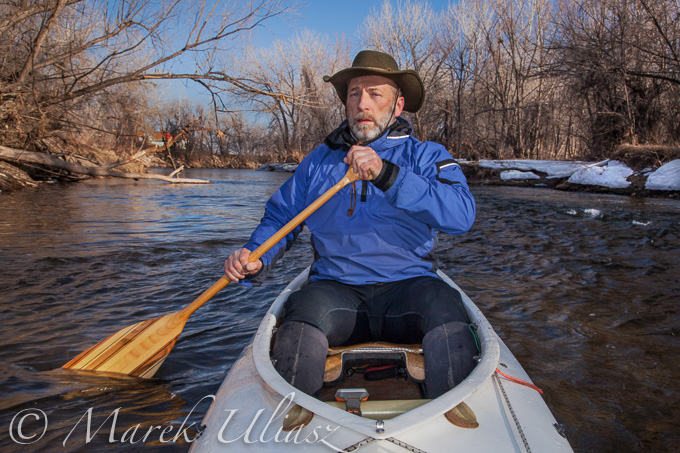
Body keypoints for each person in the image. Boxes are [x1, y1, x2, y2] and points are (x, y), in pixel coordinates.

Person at [224, 50, 477, 399]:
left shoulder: (427, 155)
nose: (363, 104)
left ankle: (452, 420)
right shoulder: (317, 161)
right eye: (355, 93)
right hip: (336, 289)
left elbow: (461, 215)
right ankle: (292, 423)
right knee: (299, 317)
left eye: (376, 94)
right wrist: (256, 255)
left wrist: (387, 175)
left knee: (446, 308)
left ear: (397, 105)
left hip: (410, 286)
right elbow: (282, 218)